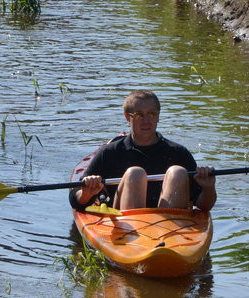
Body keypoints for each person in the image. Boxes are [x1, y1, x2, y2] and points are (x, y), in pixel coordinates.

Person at [71, 90, 217, 212]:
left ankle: (168, 230)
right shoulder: (110, 152)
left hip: (170, 226)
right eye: (139, 115)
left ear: (158, 116)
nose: (146, 121)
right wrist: (87, 192)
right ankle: (134, 234)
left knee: (178, 172)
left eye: (151, 114)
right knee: (135, 173)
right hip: (126, 223)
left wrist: (208, 187)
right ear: (128, 117)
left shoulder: (178, 153)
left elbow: (204, 205)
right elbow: (76, 200)